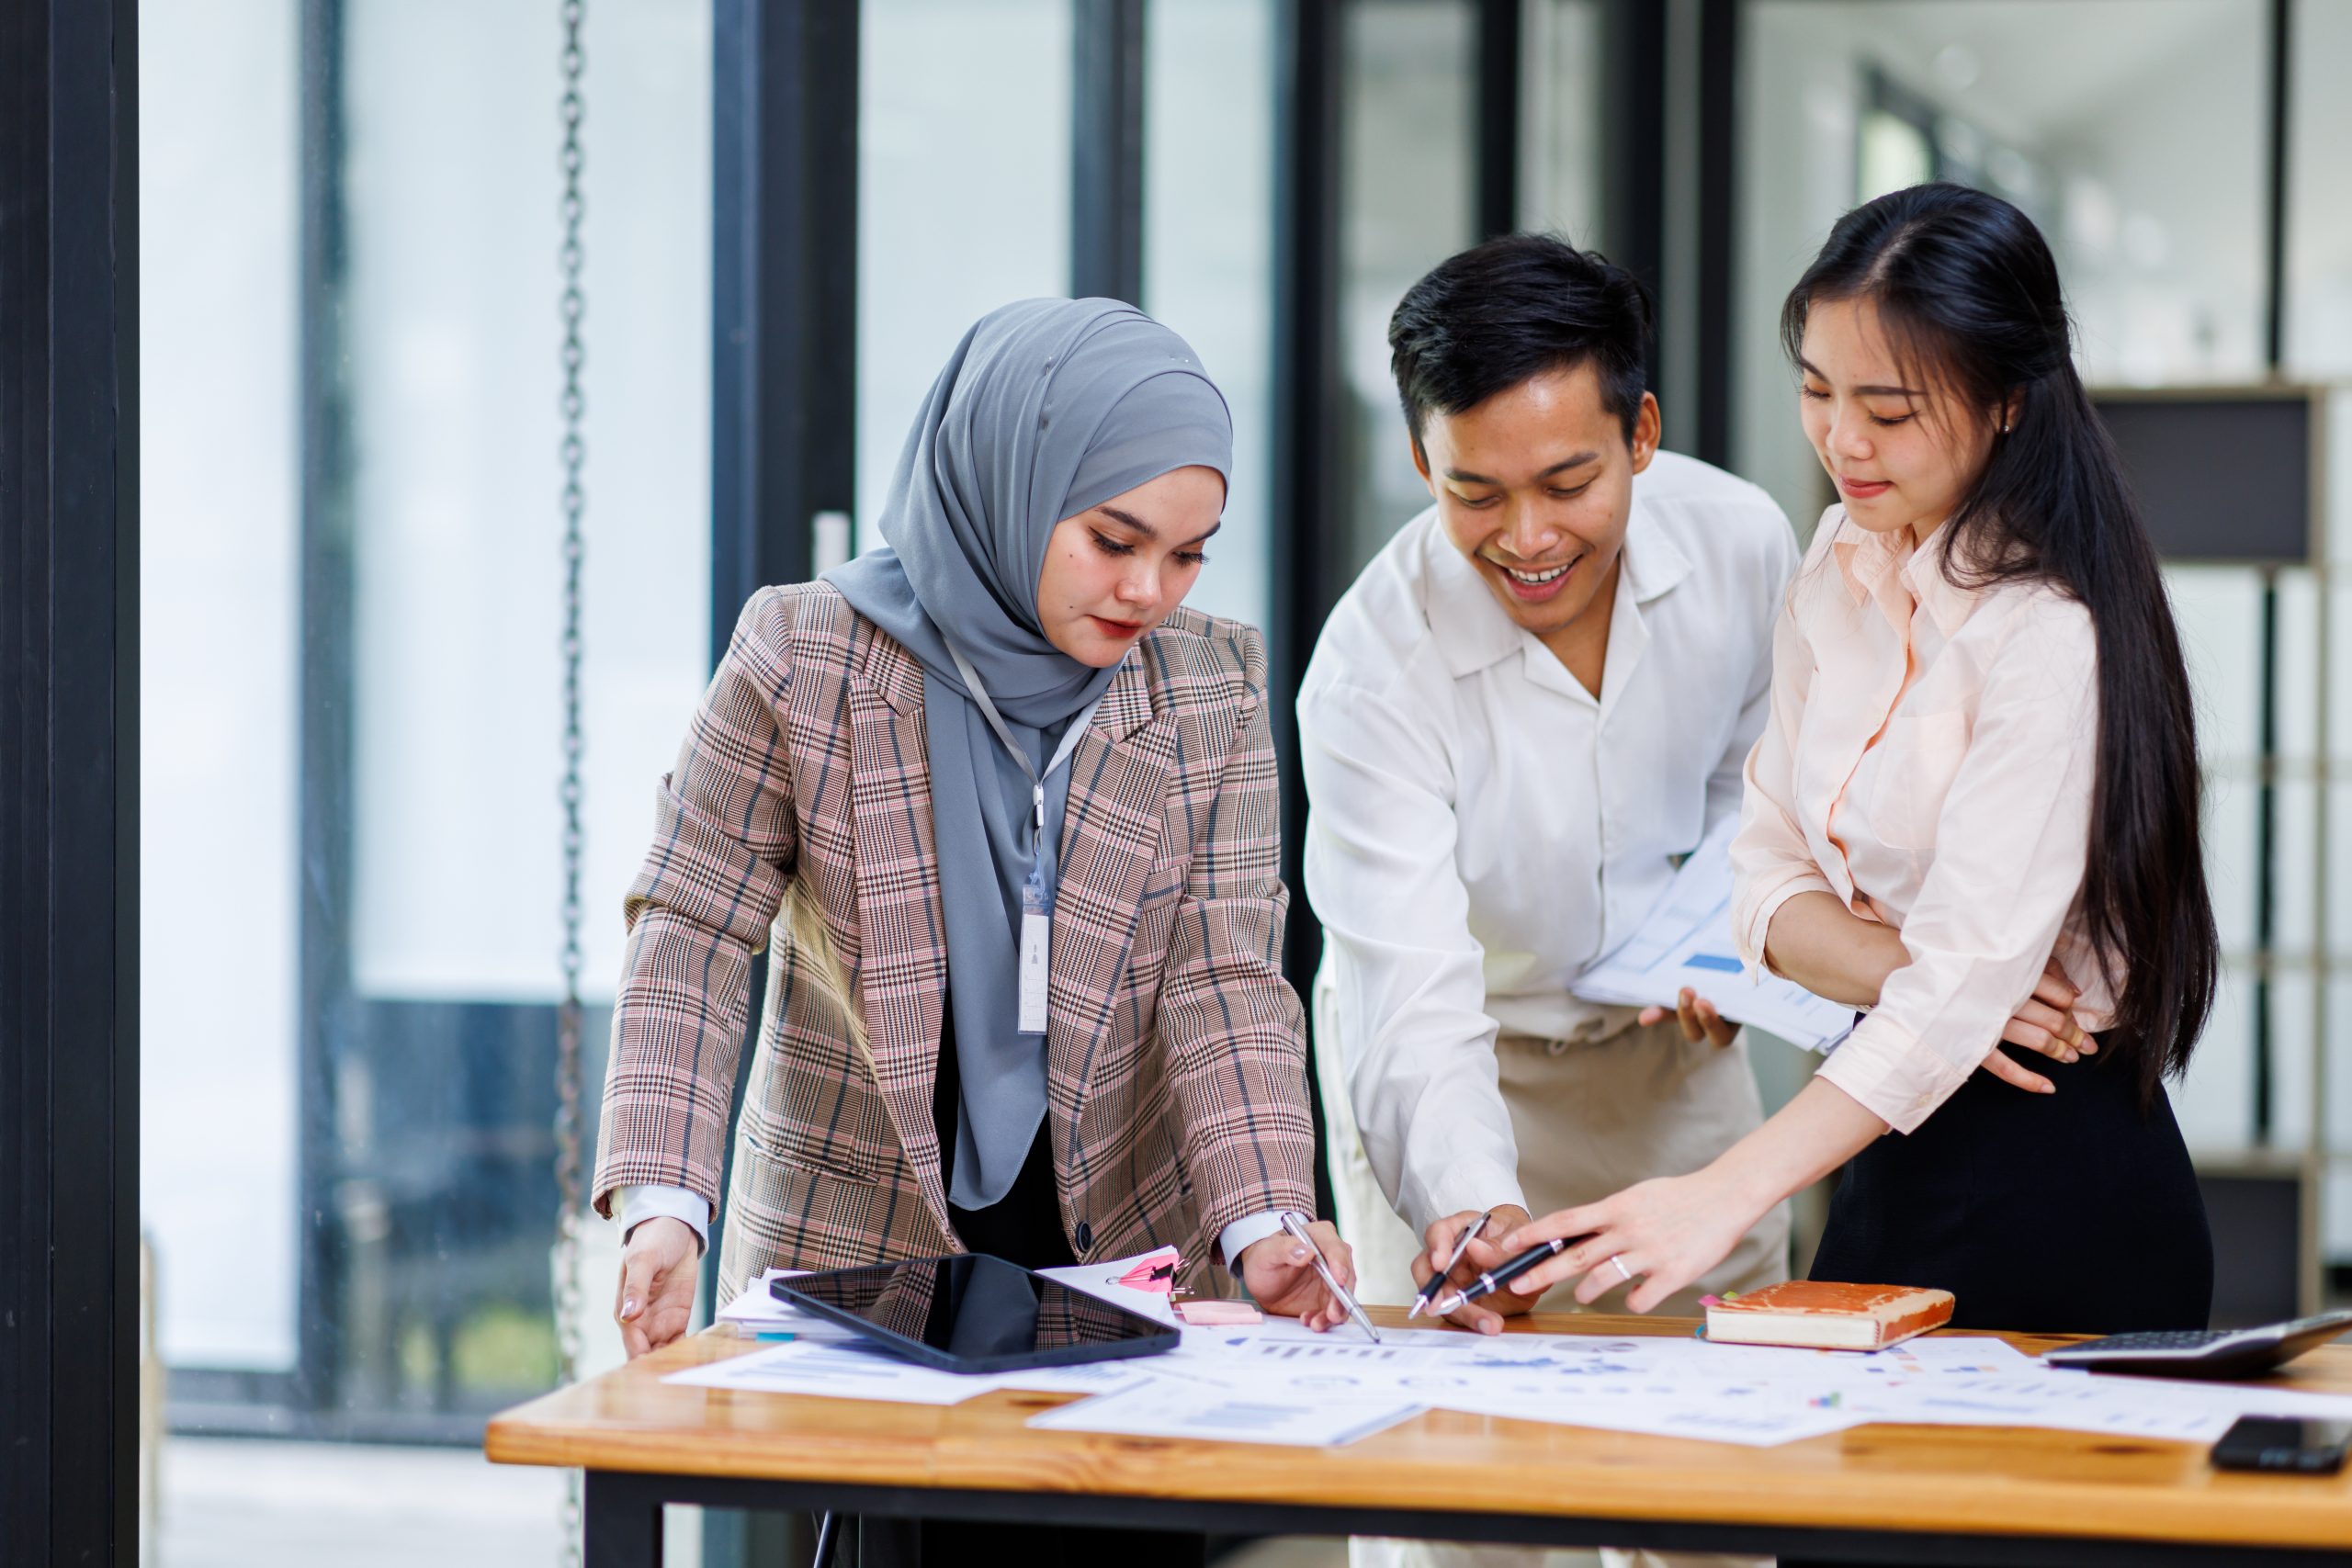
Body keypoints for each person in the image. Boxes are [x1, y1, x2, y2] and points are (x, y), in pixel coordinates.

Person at [592, 298, 1360, 1560]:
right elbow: (692, 928)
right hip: (870, 1265)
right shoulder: (807, 656)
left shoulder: (1207, 683)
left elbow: (1224, 978)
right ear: (1010, 481)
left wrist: (1265, 1216)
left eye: (1187, 554)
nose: (1148, 590)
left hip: (1122, 1262)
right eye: (1113, 539)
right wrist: (667, 1201)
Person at [1492, 183, 2218, 1339]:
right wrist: (1921, 977)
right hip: (1886, 1143)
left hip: (2056, 1175)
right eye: (1817, 391)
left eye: (1887, 408)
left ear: (2007, 401)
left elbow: (1937, 985)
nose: (1841, 440)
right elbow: (1762, 879)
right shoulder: (1838, 556)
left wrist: (1722, 1191)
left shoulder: (2044, 635)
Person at [1298, 231, 1801, 1350]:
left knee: (1717, 1414)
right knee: (1456, 1427)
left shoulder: (1742, 546)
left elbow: (1762, 789)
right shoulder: (1371, 667)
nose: (1527, 540)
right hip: (1460, 1065)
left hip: (1673, 1065)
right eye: (1475, 493)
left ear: (1642, 433)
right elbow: (1407, 988)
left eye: (1568, 484)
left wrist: (1728, 939)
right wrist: (1472, 1206)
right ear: (1422, 463)